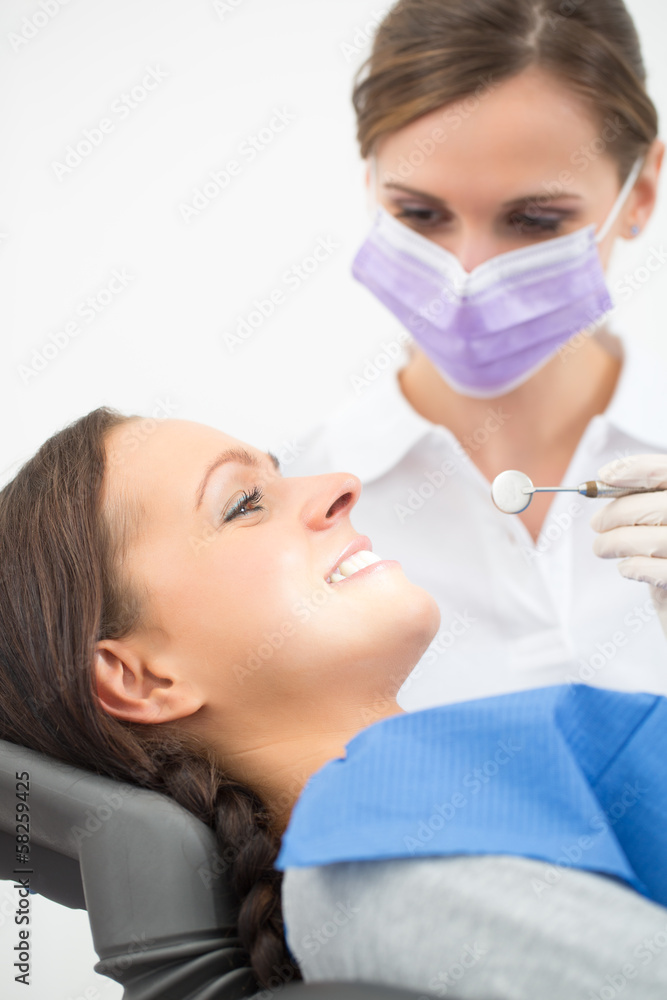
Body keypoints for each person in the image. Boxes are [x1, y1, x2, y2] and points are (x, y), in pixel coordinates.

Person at [1, 407, 667, 999]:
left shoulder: (445, 794)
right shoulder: (376, 874)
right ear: (139, 678)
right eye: (243, 503)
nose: (342, 484)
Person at [281, 0, 667, 708]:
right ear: (371, 185)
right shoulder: (299, 509)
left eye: (534, 220)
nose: (467, 273)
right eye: (420, 214)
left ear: (639, 194)